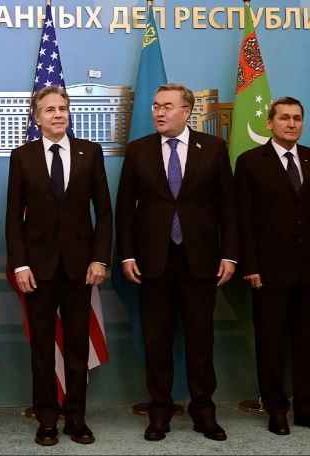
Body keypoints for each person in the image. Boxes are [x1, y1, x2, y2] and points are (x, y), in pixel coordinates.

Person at [115, 83, 238, 442]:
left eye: (167, 106)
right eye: (156, 106)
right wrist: (127, 254)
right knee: (157, 341)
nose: (159, 112)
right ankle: (159, 413)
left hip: (201, 261)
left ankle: (204, 412)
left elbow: (228, 207)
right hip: (153, 262)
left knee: (200, 340)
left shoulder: (213, 148)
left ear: (187, 111)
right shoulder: (139, 150)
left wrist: (229, 253)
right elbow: (125, 209)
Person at [6, 86, 112, 446]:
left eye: (63, 108)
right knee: (42, 349)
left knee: (77, 347)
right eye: (50, 109)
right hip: (38, 270)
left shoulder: (90, 152)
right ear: (37, 118)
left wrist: (100, 258)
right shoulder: (22, 157)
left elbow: (104, 212)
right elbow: (13, 217)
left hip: (81, 268)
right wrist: (20, 264)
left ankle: (76, 419)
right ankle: (47, 419)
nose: (58, 114)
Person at [234, 97, 310, 436]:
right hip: (268, 271)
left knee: (308, 343)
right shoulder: (250, 162)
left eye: (297, 118)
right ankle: (276, 409)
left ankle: (308, 409)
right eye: (284, 118)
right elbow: (243, 219)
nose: (291, 124)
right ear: (270, 123)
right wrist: (250, 265)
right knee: (271, 344)